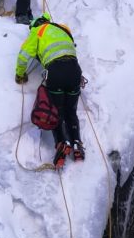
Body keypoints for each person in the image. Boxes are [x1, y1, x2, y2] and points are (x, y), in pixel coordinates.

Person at [15, 14, 85, 169]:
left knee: (57, 111)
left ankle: (62, 143)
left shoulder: (37, 31)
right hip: (74, 71)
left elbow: (24, 55)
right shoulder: (63, 29)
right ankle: (77, 145)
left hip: (56, 72)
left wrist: (20, 74)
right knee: (71, 112)